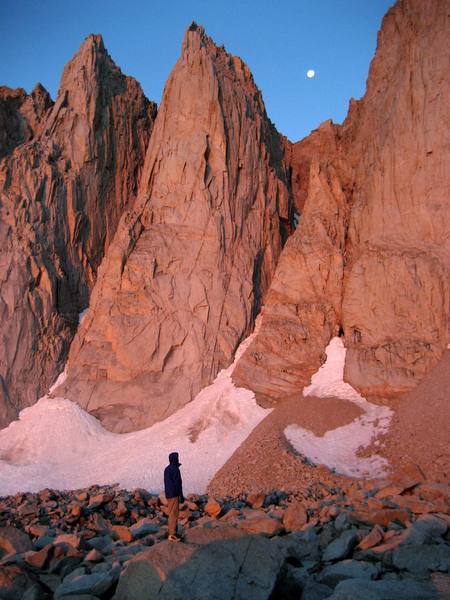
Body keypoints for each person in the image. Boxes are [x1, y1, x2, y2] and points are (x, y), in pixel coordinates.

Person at [164, 451, 184, 541]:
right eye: (177, 458)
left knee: (171, 513)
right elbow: (178, 483)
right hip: (174, 494)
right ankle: (172, 534)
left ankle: (172, 532)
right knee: (174, 514)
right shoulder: (175, 469)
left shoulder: (167, 469)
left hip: (168, 494)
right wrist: (181, 495)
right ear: (175, 459)